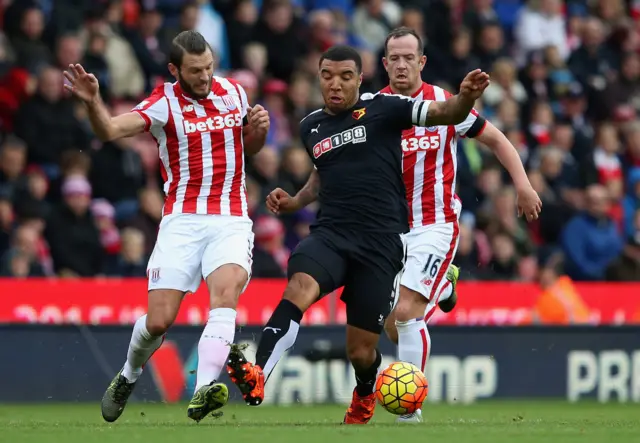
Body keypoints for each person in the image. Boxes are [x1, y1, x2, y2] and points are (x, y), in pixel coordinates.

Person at [225, 44, 490, 424]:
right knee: (299, 286)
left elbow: (445, 112)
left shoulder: (386, 108)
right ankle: (258, 372)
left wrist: (464, 97)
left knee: (361, 351)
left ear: (360, 79)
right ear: (318, 78)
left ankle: (365, 393)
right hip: (331, 234)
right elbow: (321, 176)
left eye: (345, 76)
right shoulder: (310, 126)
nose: (335, 84)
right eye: (327, 76)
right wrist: (295, 202)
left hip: (380, 245)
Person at [63, 30, 270, 423]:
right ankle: (128, 375)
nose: (205, 76)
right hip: (182, 221)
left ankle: (203, 389)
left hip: (230, 218)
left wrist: (256, 131)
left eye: (209, 67)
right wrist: (94, 102)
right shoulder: (163, 104)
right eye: (195, 71)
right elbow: (107, 130)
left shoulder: (235, 93)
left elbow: (249, 148)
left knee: (224, 296)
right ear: (175, 69)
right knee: (159, 320)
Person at [378, 27, 542, 423]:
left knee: (406, 313)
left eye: (408, 57)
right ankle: (446, 285)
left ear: (422, 61)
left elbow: (498, 140)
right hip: (392, 232)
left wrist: (522, 184)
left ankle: (407, 416)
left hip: (437, 224)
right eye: (393, 58)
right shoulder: (374, 109)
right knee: (391, 327)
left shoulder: (444, 105)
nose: (401, 64)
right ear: (384, 64)